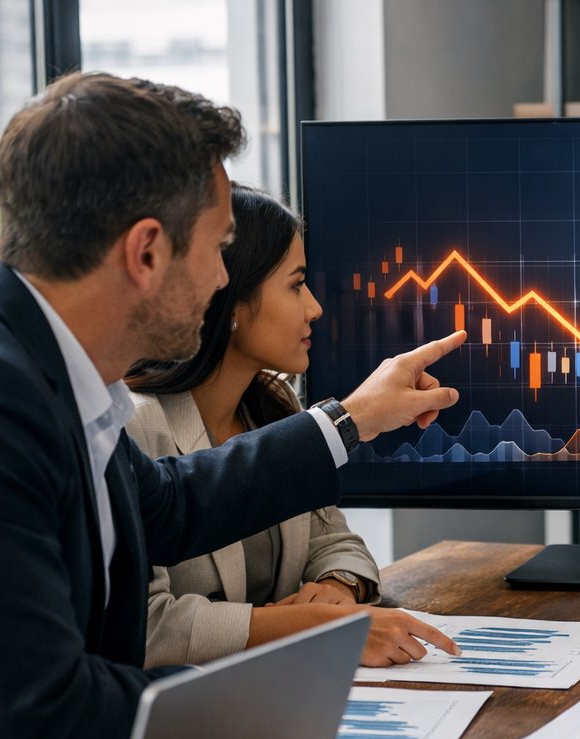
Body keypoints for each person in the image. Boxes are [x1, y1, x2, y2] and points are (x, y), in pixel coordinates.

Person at [0, 72, 463, 739]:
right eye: (220, 247)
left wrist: (356, 419)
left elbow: (170, 506)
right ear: (148, 251)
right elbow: (32, 719)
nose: (225, 277)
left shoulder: (46, 372)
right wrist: (275, 683)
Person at [125, 184, 437, 669]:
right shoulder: (135, 425)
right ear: (229, 298)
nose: (314, 307)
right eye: (295, 285)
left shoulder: (275, 402)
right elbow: (147, 626)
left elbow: (334, 541)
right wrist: (312, 628)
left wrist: (338, 587)